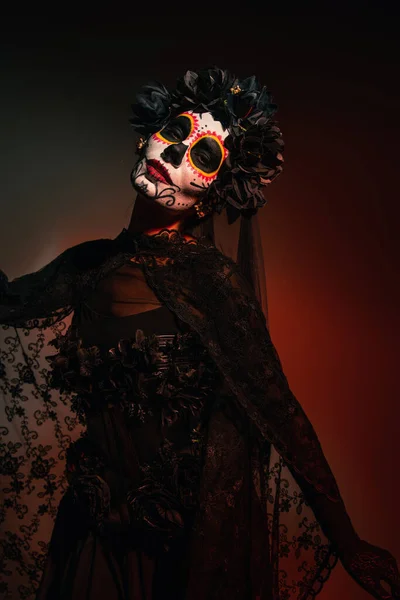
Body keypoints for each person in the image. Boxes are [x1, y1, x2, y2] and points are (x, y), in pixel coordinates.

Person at [0, 67, 399, 600]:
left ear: (215, 195)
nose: (173, 157)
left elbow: (280, 414)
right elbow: (8, 303)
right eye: (174, 133)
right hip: (89, 533)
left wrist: (348, 542)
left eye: (204, 155)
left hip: (173, 551)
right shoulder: (87, 265)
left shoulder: (213, 285)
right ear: (148, 137)